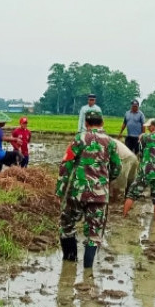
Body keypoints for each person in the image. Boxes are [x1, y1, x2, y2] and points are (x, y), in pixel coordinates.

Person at [56, 111, 121, 268]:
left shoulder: (79, 139)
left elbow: (66, 165)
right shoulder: (111, 143)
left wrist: (60, 190)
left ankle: (69, 262)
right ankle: (87, 271)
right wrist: (105, 181)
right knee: (94, 234)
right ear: (102, 122)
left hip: (77, 193)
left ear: (86, 123)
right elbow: (117, 167)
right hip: (99, 195)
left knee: (67, 226)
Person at [123, 118, 155, 221]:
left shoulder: (146, 137)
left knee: (132, 193)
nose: (148, 128)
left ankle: (124, 216)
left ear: (154, 126)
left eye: (149, 126)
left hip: (146, 171)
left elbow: (140, 152)